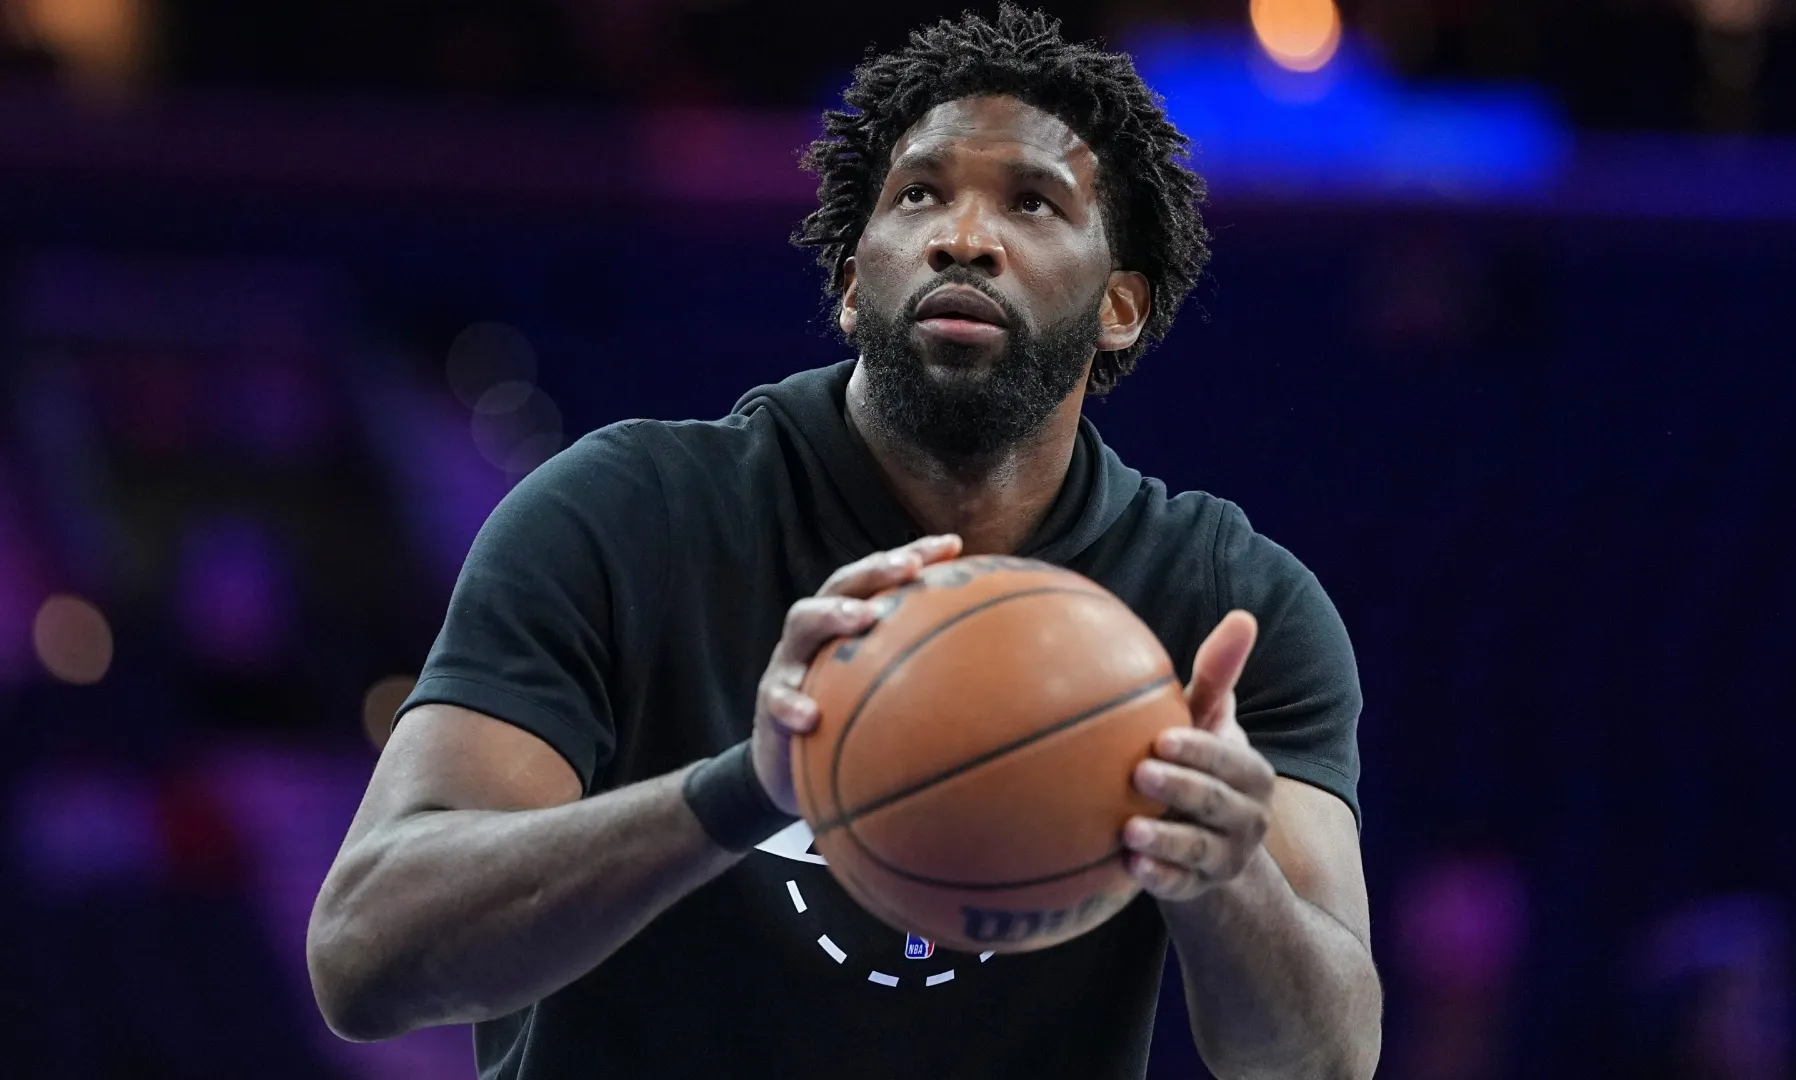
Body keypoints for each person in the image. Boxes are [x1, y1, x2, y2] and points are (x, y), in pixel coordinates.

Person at [306, 7, 1380, 1078]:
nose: (963, 237)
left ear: (1122, 308)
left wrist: (1225, 873)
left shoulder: (1228, 608)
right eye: (919, 194)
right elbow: (362, 956)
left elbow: (1326, 1063)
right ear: (855, 285)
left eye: (1034, 202)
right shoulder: (627, 516)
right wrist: (741, 790)